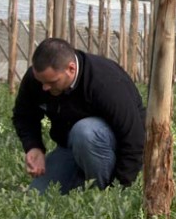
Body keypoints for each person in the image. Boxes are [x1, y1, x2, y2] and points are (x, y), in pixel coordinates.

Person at [12, 38, 145, 194]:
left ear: (71, 69)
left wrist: (120, 189)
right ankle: (81, 180)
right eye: (41, 81)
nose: (45, 87)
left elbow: (134, 138)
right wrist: (33, 146)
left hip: (112, 147)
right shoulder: (39, 79)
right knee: (35, 196)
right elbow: (24, 115)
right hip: (71, 148)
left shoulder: (104, 82)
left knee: (85, 132)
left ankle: (100, 192)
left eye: (52, 82)